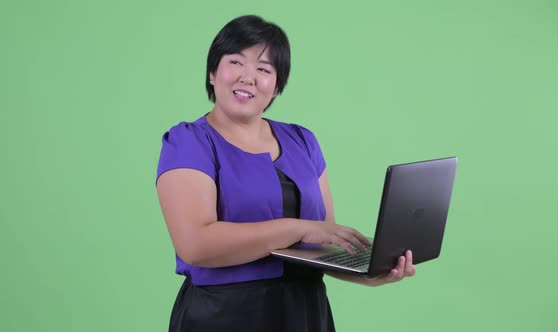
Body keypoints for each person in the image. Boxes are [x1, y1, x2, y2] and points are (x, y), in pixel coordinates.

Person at [156, 15, 416, 332]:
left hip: (305, 314)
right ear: (212, 73)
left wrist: (370, 272)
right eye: (235, 62)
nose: (248, 77)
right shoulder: (189, 141)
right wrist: (298, 228)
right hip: (223, 315)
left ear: (277, 85)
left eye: (264, 69)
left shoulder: (302, 141)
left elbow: (323, 242)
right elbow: (195, 244)